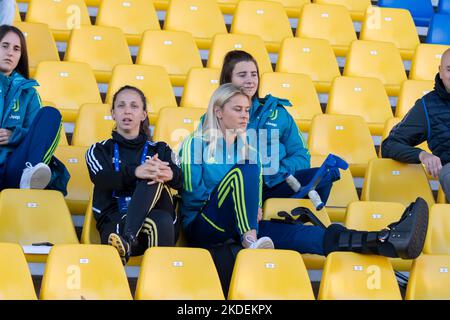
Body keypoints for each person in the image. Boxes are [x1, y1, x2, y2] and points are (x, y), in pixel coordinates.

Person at [180, 83, 430, 261]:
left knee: (308, 235)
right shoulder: (195, 143)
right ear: (218, 111)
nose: (245, 115)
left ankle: (384, 240)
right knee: (243, 171)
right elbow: (193, 198)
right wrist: (239, 206)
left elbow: (255, 196)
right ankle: (249, 241)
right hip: (204, 226)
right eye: (237, 109)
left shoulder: (250, 147)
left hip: (245, 226)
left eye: (247, 110)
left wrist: (249, 208)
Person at [219, 50, 340, 205]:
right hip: (240, 189)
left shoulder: (278, 112)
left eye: (254, 74)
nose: (250, 80)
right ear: (228, 79)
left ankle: (291, 217)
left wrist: (277, 171)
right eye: (242, 75)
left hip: (277, 182)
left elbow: (301, 155)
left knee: (325, 175)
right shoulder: (219, 115)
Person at [85, 85, 182, 265]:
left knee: (154, 172)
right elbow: (101, 178)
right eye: (121, 106)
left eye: (134, 106)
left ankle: (128, 238)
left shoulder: (160, 149)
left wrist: (171, 175)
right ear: (113, 113)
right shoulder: (99, 150)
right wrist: (136, 172)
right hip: (115, 223)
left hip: (147, 224)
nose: (127, 111)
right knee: (159, 214)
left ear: (143, 115)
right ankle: (129, 237)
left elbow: (182, 181)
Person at [382, 48, 450, 203]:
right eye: (449, 69)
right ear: (440, 71)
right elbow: (389, 145)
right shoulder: (427, 106)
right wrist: (422, 155)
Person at [0, 25, 63, 191]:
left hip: (15, 167)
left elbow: (36, 136)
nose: (10, 53)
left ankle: (31, 173)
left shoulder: (29, 93)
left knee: (50, 114)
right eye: (4, 46)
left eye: (16, 49)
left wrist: (14, 135)